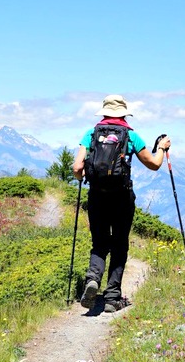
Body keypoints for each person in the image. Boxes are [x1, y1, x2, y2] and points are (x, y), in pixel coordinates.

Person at [72, 94, 171, 312]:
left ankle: (93, 279)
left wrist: (84, 180)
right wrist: (162, 148)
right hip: (121, 197)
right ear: (124, 114)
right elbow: (154, 164)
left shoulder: (91, 134)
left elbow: (77, 168)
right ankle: (112, 298)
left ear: (104, 112)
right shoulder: (131, 136)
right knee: (119, 244)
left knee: (99, 242)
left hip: (97, 195)